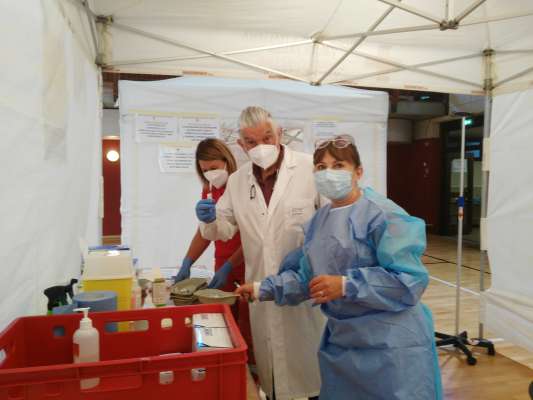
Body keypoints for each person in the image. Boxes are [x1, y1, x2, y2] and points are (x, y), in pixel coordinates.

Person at [236, 135, 443, 400]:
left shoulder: (382, 214)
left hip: (391, 344)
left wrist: (346, 285)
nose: (328, 173)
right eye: (321, 168)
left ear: (358, 172)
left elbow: (409, 280)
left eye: (338, 166)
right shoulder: (318, 222)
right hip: (344, 344)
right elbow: (308, 277)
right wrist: (262, 288)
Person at [196, 106, 325, 400]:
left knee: (313, 377)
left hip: (306, 292)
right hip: (261, 292)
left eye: (267, 137)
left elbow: (333, 226)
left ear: (279, 134)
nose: (261, 147)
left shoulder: (309, 169)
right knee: (275, 381)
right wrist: (210, 220)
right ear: (241, 145)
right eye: (252, 142)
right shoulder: (239, 181)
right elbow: (224, 228)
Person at [173, 138, 254, 362]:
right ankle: (228, 364)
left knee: (247, 325)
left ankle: (250, 372)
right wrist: (187, 261)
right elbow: (205, 231)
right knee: (225, 322)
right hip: (223, 262)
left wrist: (230, 266)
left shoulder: (243, 185)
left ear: (226, 161)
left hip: (246, 262)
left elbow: (252, 236)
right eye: (205, 170)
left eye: (214, 168)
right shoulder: (208, 189)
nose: (210, 174)